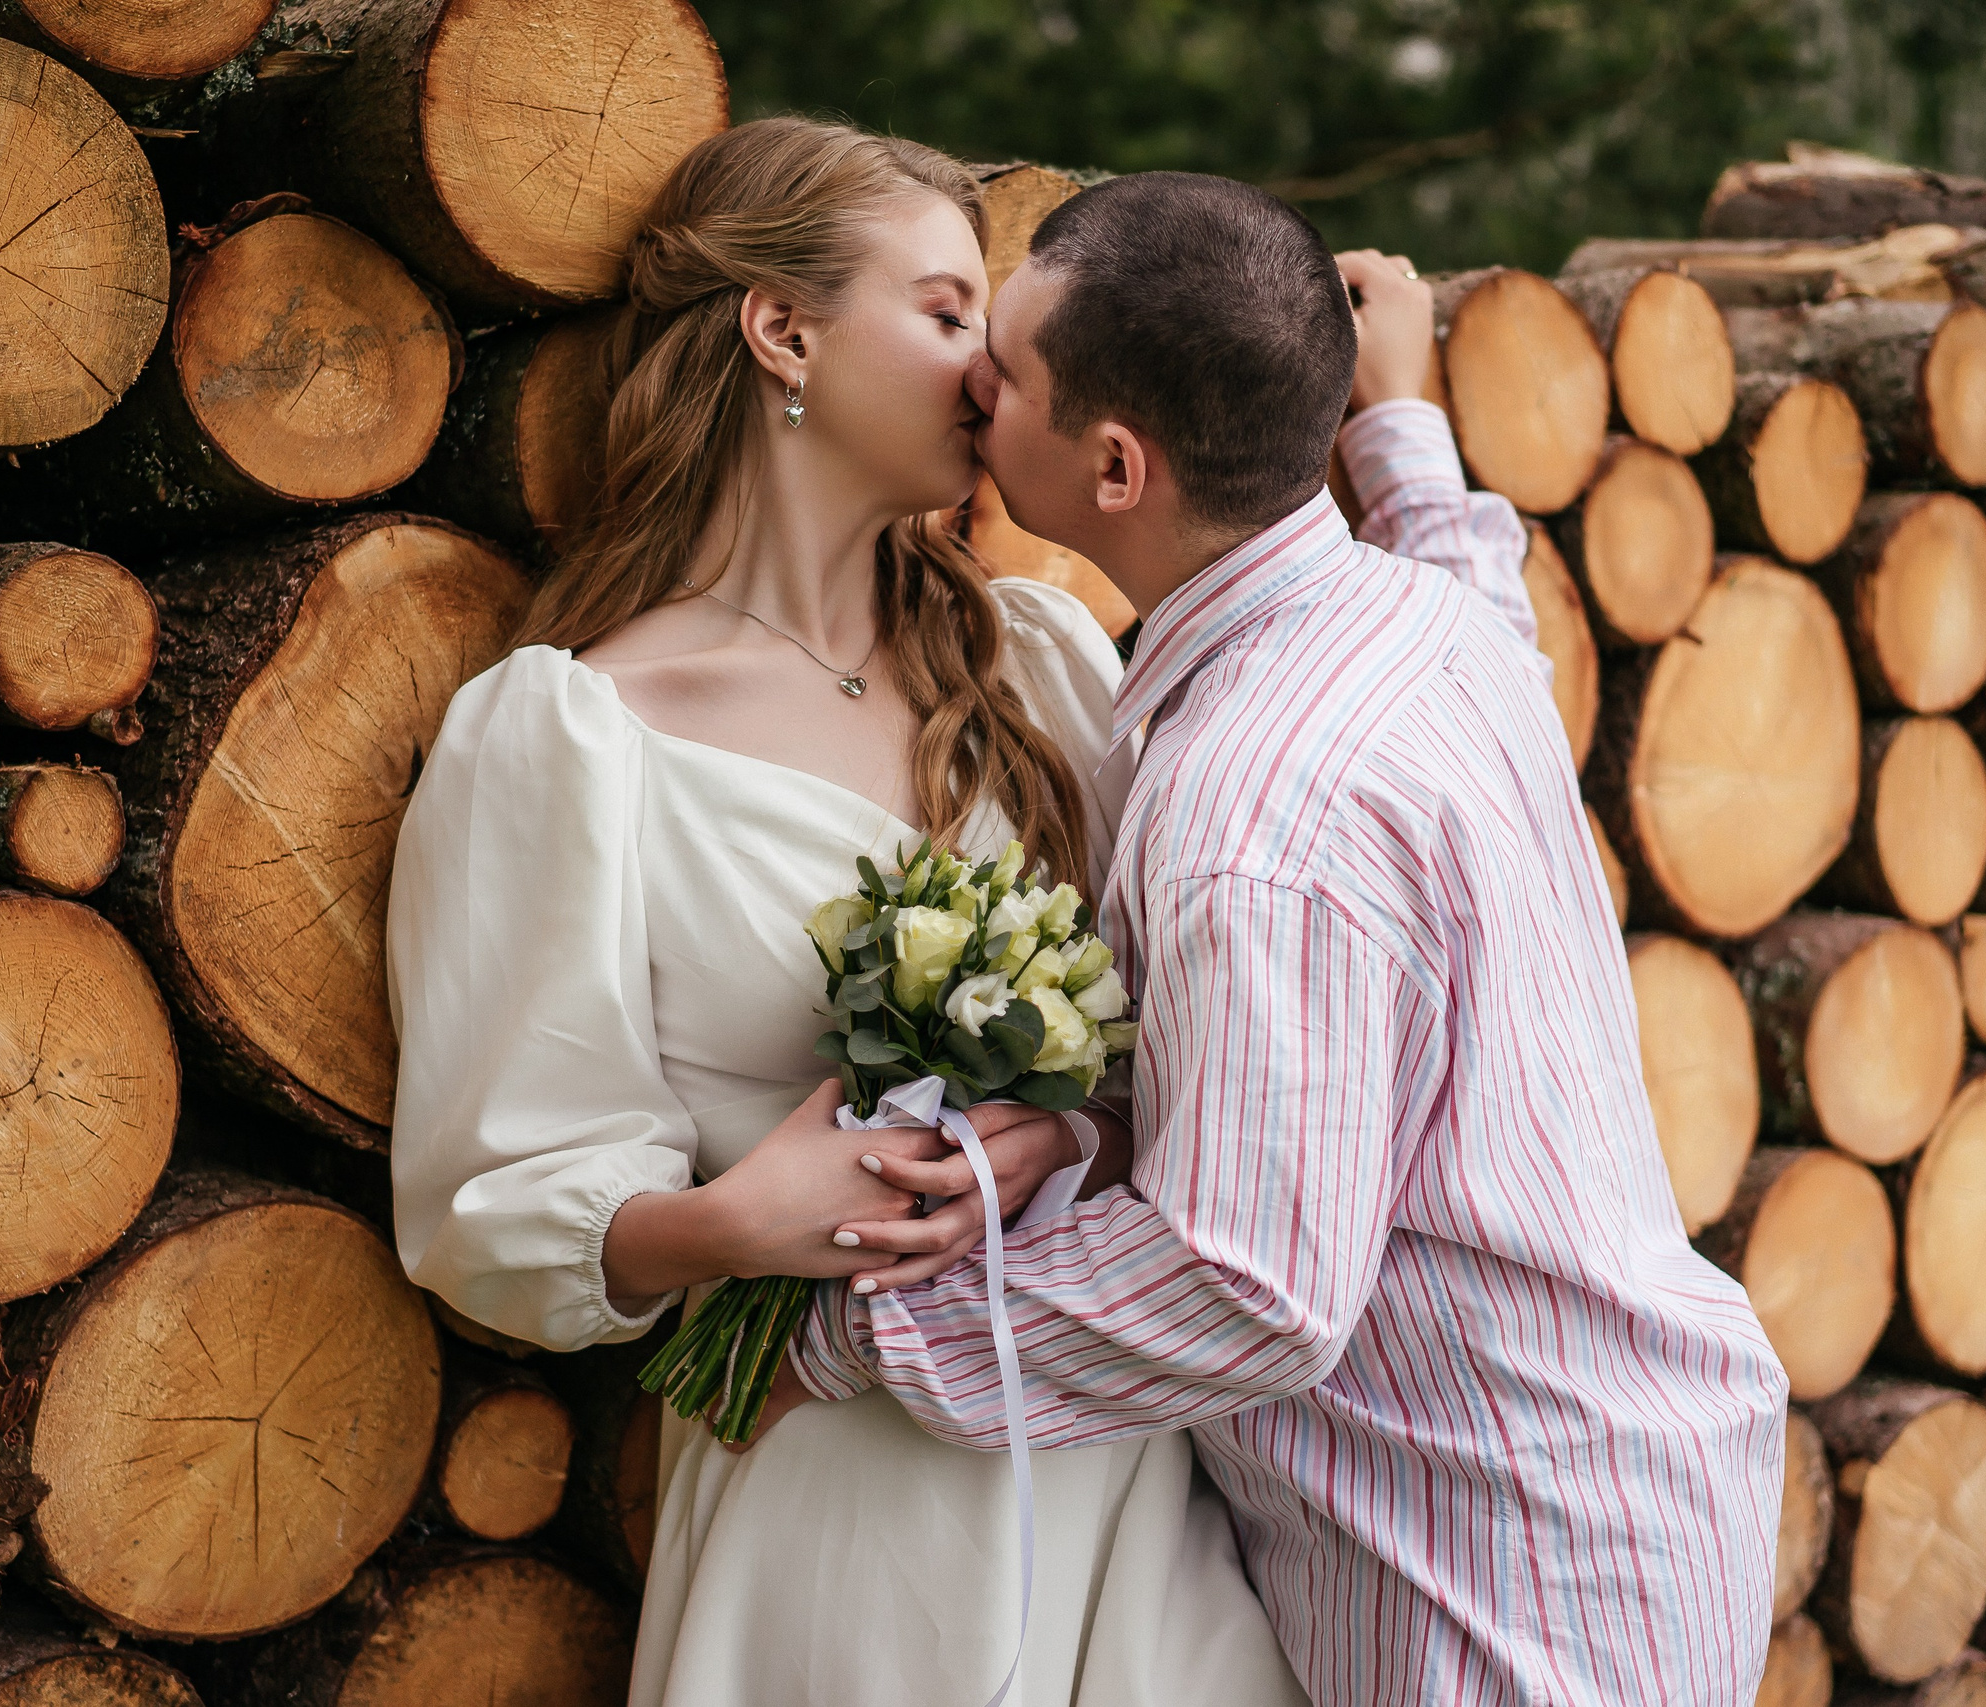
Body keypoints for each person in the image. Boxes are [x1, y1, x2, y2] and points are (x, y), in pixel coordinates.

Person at [754, 174, 1794, 1706]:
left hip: (1497, 1586)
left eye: (1013, 369)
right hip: (1630, 1472)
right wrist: (1399, 425)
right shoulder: (1405, 620)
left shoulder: (1258, 818)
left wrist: (842, 1351)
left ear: (1114, 466)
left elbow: (1242, 1281)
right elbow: (1483, 603)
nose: (977, 379)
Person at [384, 119, 1320, 1706]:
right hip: (836, 1497)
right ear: (784, 328)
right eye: (951, 313)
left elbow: (1184, 1034)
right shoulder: (573, 736)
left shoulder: (1038, 660)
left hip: (1114, 1465)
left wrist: (1070, 1136)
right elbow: (489, 1202)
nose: (991, 374)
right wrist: (728, 1222)